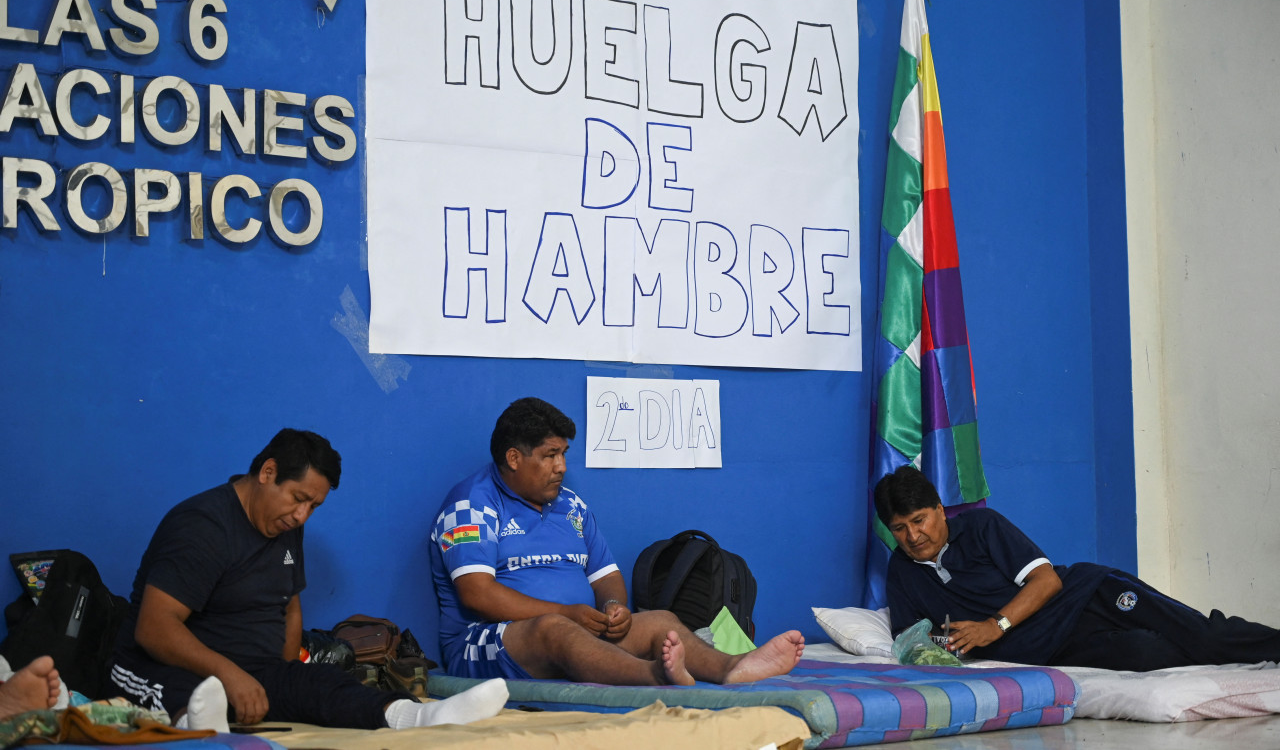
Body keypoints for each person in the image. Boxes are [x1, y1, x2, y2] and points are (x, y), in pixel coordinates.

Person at [109, 428, 508, 731]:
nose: (302, 516)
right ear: (268, 472)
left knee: (323, 682)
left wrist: (285, 677)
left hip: (251, 671)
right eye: (298, 498)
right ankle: (197, 726)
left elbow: (289, 602)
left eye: (313, 506)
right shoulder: (202, 526)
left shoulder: (285, 524)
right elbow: (154, 628)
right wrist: (230, 677)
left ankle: (419, 716)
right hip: (158, 666)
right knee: (185, 692)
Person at [429, 397, 805, 686]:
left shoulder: (570, 506)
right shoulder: (470, 504)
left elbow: (605, 575)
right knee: (554, 630)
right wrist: (566, 614)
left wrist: (613, 610)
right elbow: (478, 594)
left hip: (572, 632)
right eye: (550, 455)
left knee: (660, 621)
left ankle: (735, 666)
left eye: (563, 454)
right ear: (513, 458)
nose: (561, 466)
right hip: (484, 645)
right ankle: (655, 676)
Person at [875, 465, 1280, 671]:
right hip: (1052, 647)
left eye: (920, 520)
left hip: (1087, 597)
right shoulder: (902, 571)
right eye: (900, 528)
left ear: (940, 511)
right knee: (1147, 653)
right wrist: (946, 647)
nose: (913, 536)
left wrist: (991, 627)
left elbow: (1046, 580)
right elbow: (911, 641)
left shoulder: (982, 526)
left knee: (1203, 637)